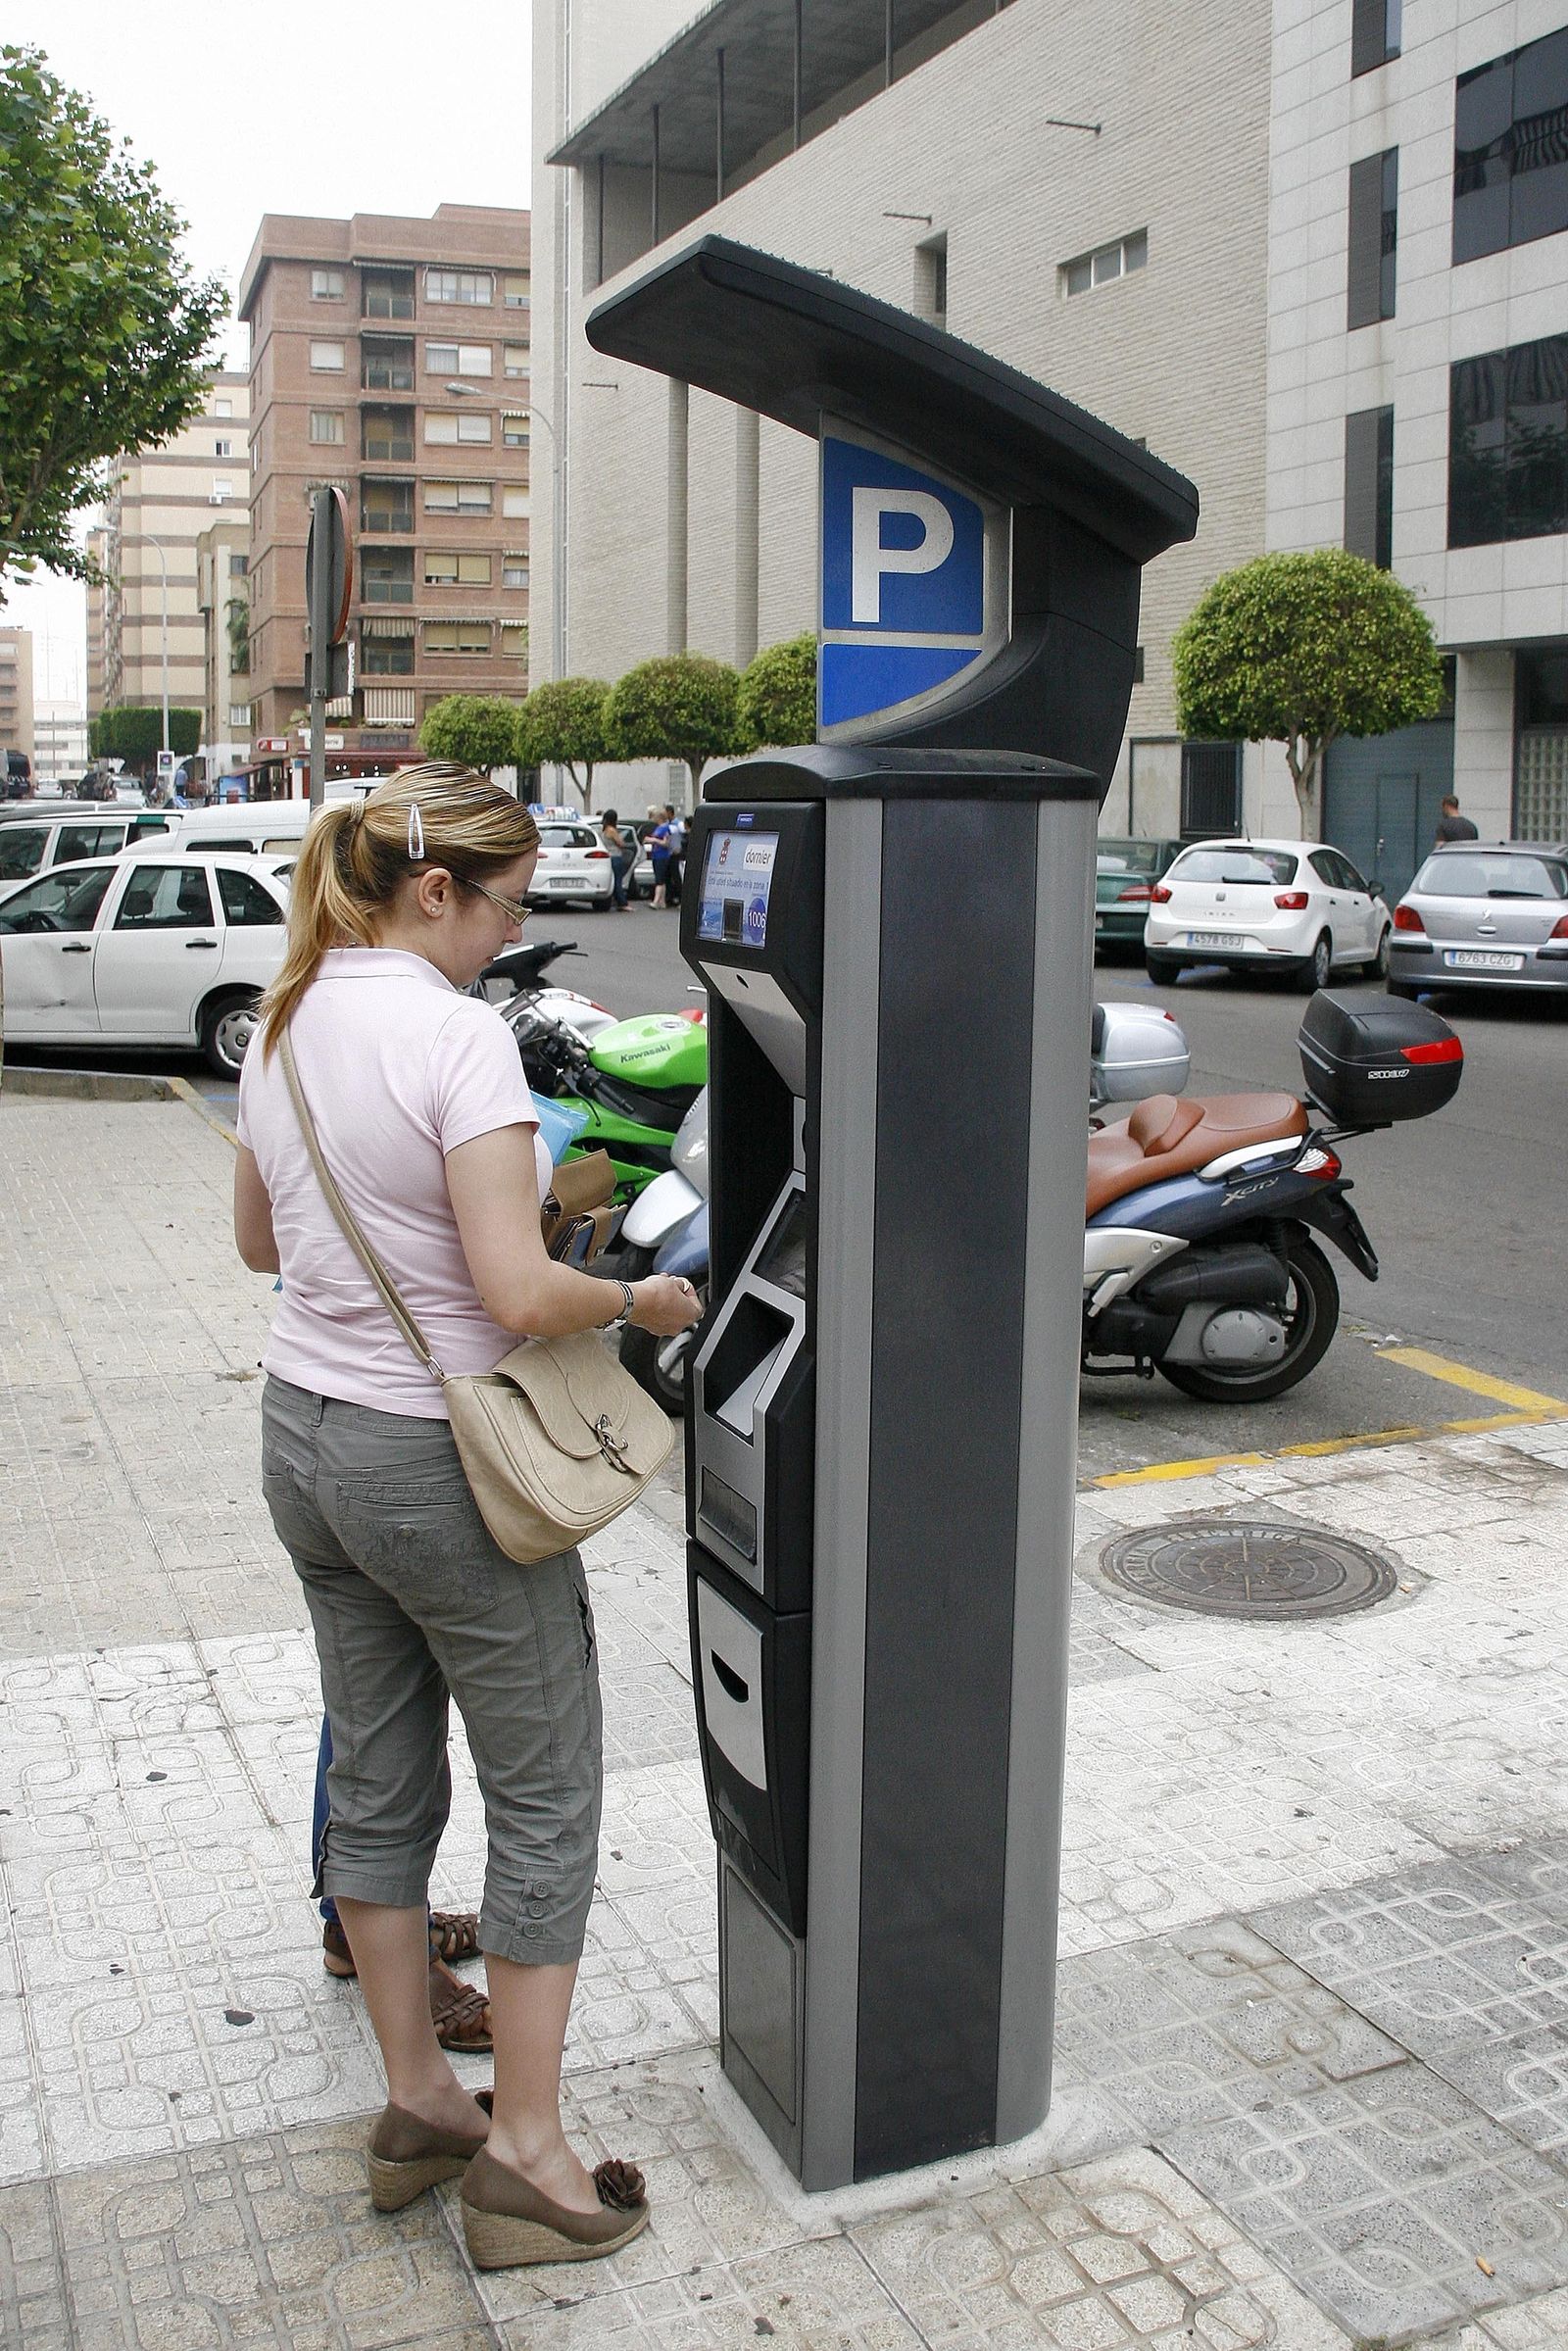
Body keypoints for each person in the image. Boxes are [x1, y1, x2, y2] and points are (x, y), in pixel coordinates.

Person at [232, 760, 702, 2269]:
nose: (509, 933)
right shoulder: (455, 1037)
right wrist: (634, 1287)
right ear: (435, 891)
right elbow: (514, 1292)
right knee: (548, 1784)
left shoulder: (288, 1015)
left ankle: (422, 2101)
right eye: (503, 904)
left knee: (376, 1766)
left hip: (302, 1440)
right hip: (440, 1458)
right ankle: (531, 2156)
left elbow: (262, 1240)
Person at [600, 808, 633, 910]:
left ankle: (616, 900)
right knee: (618, 881)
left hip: (608, 857)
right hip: (616, 856)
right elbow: (620, 843)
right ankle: (623, 903)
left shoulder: (604, 830)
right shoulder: (612, 830)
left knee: (613, 880)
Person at [647, 804, 671, 910]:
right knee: (661, 878)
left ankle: (656, 901)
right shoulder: (658, 828)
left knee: (659, 879)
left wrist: (653, 840)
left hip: (662, 855)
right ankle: (662, 901)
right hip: (656, 855)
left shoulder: (666, 828)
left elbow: (666, 843)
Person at [662, 804, 685, 908]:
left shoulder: (678, 824)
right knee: (667, 876)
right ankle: (669, 899)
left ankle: (681, 899)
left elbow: (684, 836)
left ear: (670, 812)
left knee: (676, 877)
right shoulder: (666, 824)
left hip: (676, 853)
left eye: (665, 812)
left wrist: (680, 848)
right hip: (668, 853)